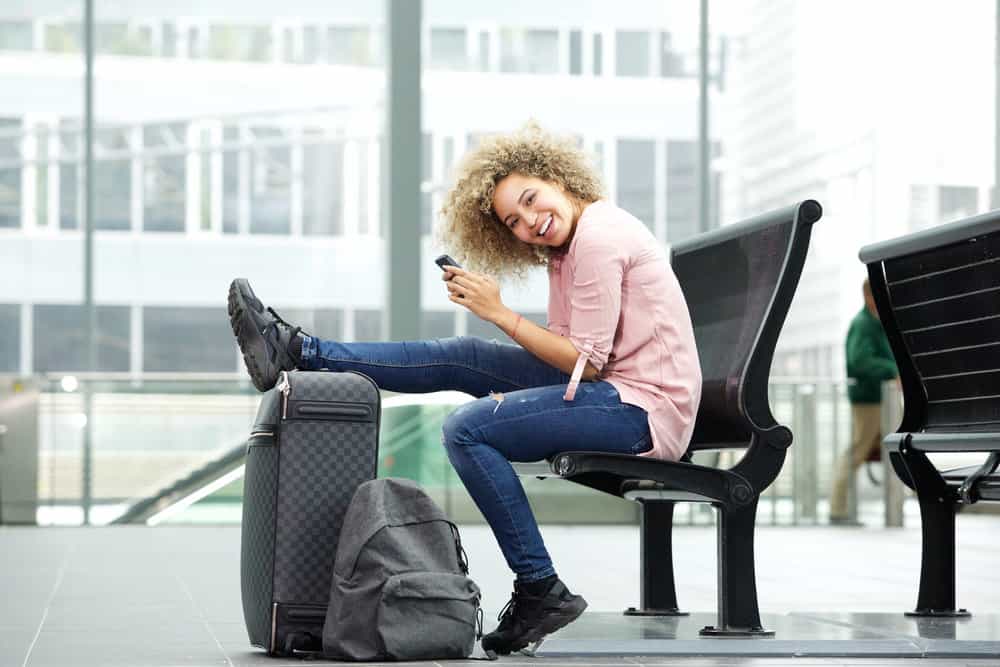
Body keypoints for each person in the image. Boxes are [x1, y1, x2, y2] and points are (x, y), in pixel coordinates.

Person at [227, 123, 702, 654]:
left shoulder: (598, 237)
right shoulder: (567, 250)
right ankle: (302, 353)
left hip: (642, 409)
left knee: (469, 430)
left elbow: (585, 365)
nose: (529, 222)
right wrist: (494, 317)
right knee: (464, 356)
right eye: (513, 222)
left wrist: (497, 312)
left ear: (556, 179)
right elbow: (573, 353)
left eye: (530, 200)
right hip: (616, 389)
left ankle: (540, 587)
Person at [829, 278, 898, 524]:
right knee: (858, 450)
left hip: (881, 399)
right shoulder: (864, 324)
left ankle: (899, 504)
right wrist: (893, 370)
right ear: (870, 296)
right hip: (869, 400)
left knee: (891, 449)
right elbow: (860, 360)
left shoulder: (875, 323)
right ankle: (837, 509)